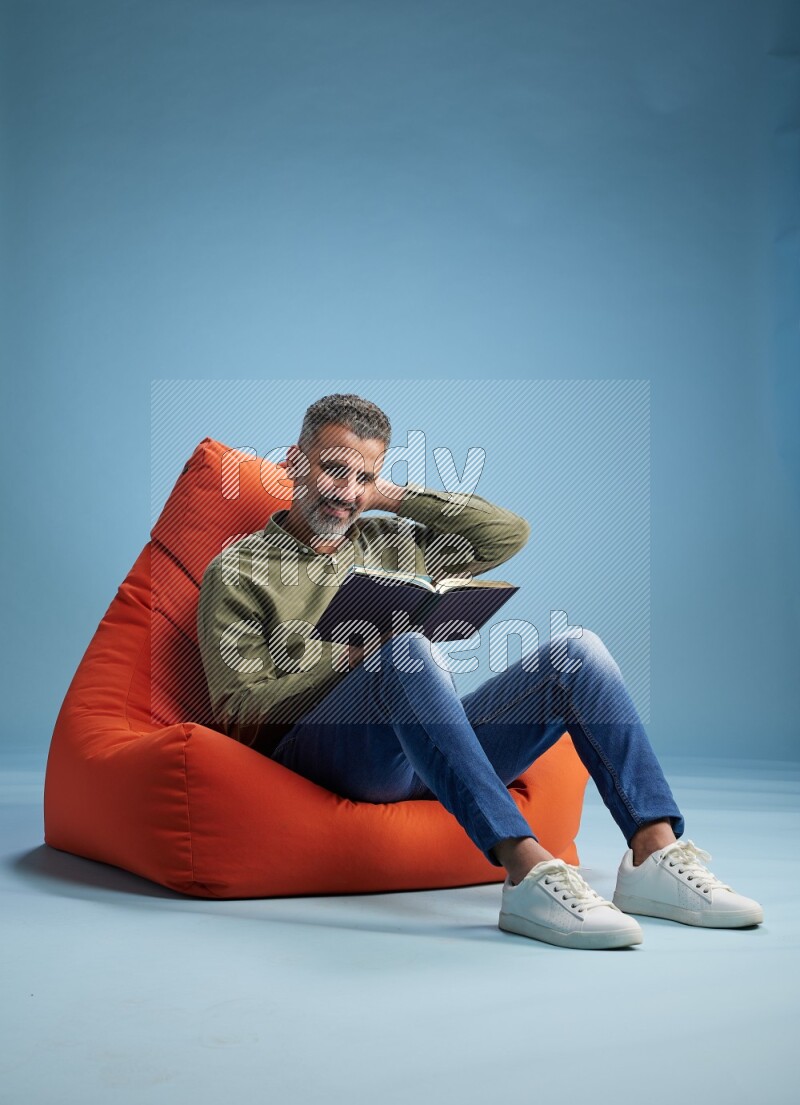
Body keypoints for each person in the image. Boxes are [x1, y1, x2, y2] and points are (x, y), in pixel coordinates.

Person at [197, 393, 764, 950]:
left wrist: (391, 497)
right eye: (333, 471)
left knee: (578, 653)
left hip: (426, 753)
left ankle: (653, 854)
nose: (347, 495)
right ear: (295, 462)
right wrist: (351, 660)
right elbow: (236, 713)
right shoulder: (241, 569)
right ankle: (526, 871)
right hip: (330, 756)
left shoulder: (387, 541)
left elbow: (507, 533)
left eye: (363, 478)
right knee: (402, 651)